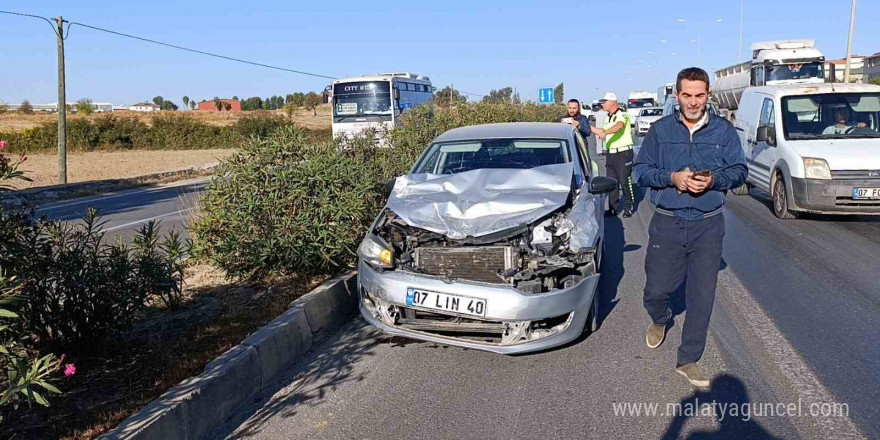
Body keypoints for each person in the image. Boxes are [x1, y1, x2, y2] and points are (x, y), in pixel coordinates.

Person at [633, 67, 748, 388]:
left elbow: (739, 171)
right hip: (667, 222)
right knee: (656, 290)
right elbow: (641, 171)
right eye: (687, 95)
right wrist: (672, 178)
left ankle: (688, 358)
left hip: (708, 225)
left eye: (700, 95)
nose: (694, 102)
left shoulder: (724, 132)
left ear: (708, 95)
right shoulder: (660, 130)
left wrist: (714, 180)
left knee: (702, 294)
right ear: (677, 95)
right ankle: (660, 318)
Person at [591, 92, 635, 217]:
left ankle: (629, 206)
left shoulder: (623, 114)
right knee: (612, 182)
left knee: (624, 181)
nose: (602, 104)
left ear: (612, 102)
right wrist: (581, 125)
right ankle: (612, 208)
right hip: (611, 154)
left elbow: (619, 127)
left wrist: (605, 132)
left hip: (623, 153)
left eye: (604, 102)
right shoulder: (608, 117)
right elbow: (601, 131)